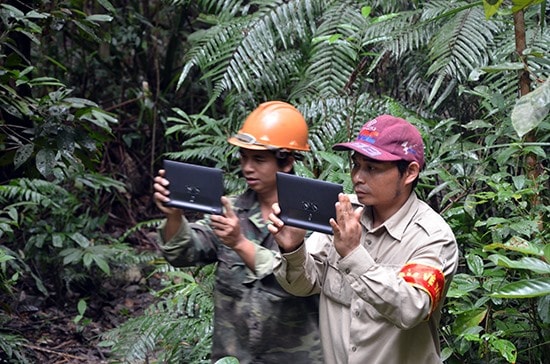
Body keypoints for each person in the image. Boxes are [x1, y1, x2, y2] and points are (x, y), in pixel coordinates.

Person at [268, 114, 459, 364]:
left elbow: (411, 308)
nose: (358, 177)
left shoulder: (432, 237)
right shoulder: (343, 213)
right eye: (356, 164)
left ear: (410, 172)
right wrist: (293, 247)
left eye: (372, 168)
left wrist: (353, 255)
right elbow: (303, 285)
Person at [153, 101, 323, 363]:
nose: (247, 168)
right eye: (243, 157)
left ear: (287, 161)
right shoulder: (231, 211)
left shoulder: (313, 221)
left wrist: (239, 243)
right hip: (235, 356)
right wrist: (174, 214)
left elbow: (299, 282)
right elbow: (183, 253)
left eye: (258, 159)